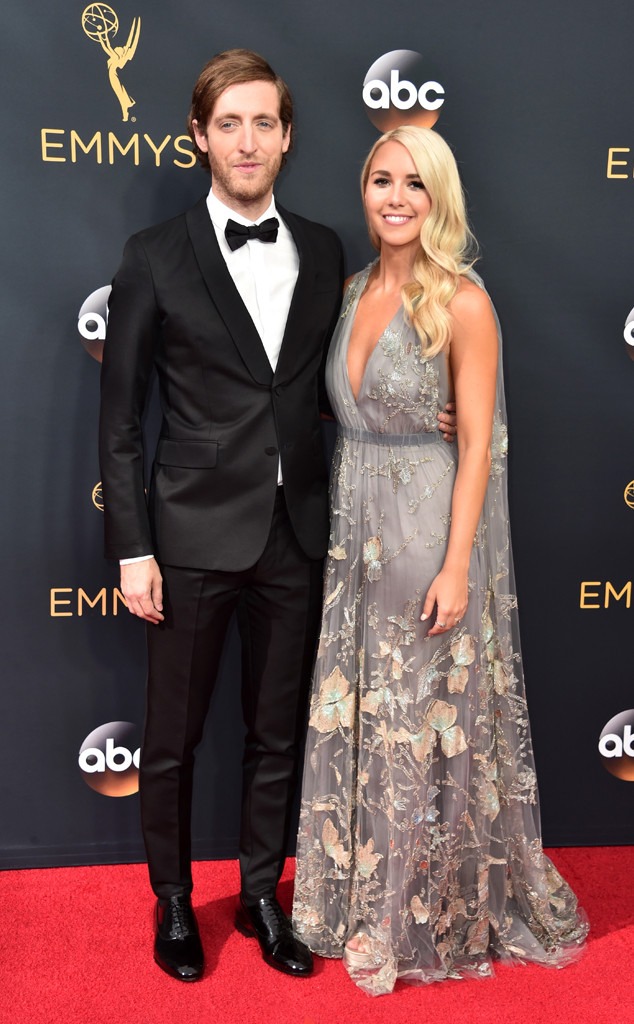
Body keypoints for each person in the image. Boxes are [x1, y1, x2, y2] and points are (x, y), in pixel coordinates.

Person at [99, 47, 458, 983]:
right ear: (200, 137)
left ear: (288, 137)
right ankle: (175, 902)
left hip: (300, 535)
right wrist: (132, 547)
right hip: (186, 540)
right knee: (171, 740)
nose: (248, 140)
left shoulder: (327, 248)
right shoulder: (152, 256)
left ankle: (263, 895)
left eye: (264, 122)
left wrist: (427, 414)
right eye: (229, 123)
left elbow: (334, 386)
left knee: (277, 732)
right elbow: (121, 419)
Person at [292, 126, 588, 995]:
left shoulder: (462, 301)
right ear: (363, 188)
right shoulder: (347, 292)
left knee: (425, 724)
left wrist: (458, 564)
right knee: (367, 713)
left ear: (440, 198)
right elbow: (341, 411)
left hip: (426, 535)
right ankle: (361, 896)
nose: (395, 198)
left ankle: (426, 913)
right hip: (355, 536)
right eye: (381, 180)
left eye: (414, 185)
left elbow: (482, 449)